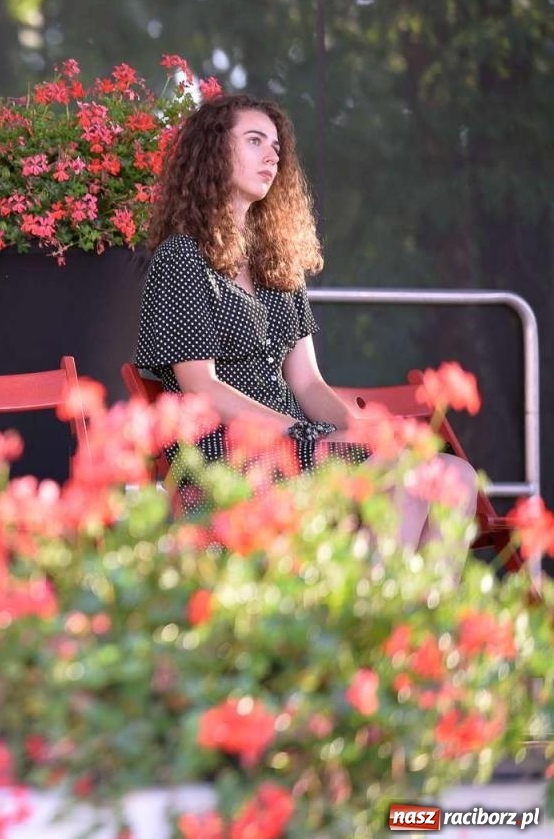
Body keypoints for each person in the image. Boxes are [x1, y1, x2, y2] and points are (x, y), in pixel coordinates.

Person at [134, 92, 476, 548]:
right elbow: (201, 387)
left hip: (300, 447)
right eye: (255, 141)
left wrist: (360, 431)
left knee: (455, 475)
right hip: (226, 457)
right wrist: (300, 432)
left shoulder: (278, 265)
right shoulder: (181, 258)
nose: (271, 156)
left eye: (276, 147)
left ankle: (418, 618)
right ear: (214, 152)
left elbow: (309, 383)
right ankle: (377, 615)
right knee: (397, 476)